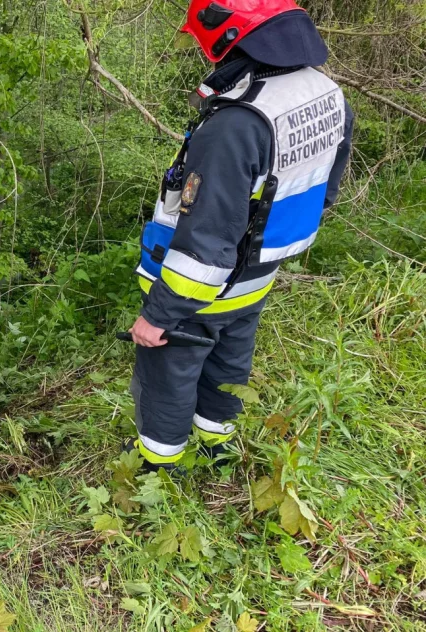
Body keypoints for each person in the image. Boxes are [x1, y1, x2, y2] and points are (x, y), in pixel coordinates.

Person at [127, 0, 353, 470]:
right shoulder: (327, 93)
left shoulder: (236, 125)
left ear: (229, 36)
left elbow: (205, 244)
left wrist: (159, 315)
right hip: (258, 274)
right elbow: (325, 188)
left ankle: (156, 470)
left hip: (199, 290)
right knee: (228, 363)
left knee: (170, 377)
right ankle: (217, 448)